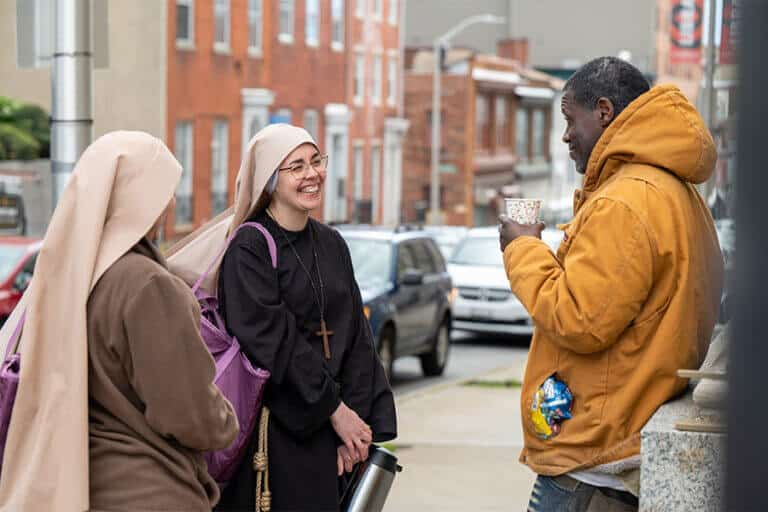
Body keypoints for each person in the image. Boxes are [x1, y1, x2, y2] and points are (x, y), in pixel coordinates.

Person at [498, 57, 723, 511]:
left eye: (569, 119)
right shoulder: (676, 192)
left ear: (603, 111)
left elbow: (579, 318)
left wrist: (522, 248)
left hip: (593, 463)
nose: (565, 135)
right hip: (625, 436)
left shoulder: (625, 202)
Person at [0, 131, 239, 511]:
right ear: (142, 200)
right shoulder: (147, 285)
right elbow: (187, 412)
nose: (172, 202)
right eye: (166, 190)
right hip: (150, 490)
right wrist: (226, 421)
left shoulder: (69, 277)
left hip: (77, 484)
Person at [168, 124, 397, 512]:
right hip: (280, 434)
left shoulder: (332, 243)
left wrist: (355, 430)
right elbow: (272, 342)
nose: (312, 174)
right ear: (271, 181)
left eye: (316, 161)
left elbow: (357, 338)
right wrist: (335, 413)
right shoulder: (250, 248)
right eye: (296, 167)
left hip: (337, 437)